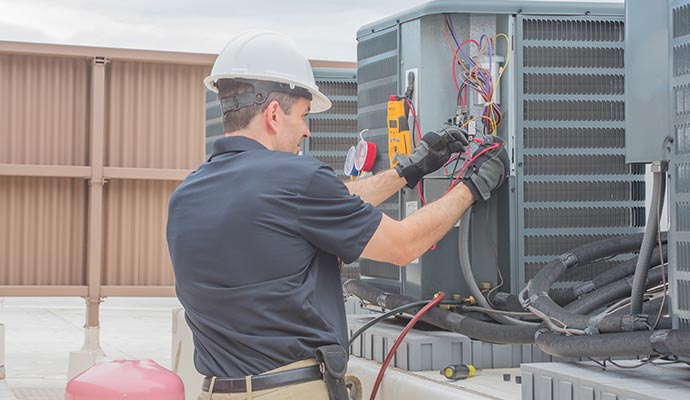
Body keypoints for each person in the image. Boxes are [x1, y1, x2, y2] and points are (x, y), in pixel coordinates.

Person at [166, 30, 508, 400]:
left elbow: (326, 203)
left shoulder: (188, 193)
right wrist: (472, 186)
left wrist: (409, 170)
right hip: (290, 391)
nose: (307, 129)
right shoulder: (298, 179)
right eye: (304, 115)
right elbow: (403, 245)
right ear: (274, 114)